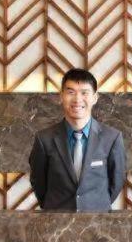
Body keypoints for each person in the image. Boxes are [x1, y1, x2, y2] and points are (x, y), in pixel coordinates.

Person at [28, 69, 126, 211]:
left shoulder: (112, 138)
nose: (77, 99)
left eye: (84, 93)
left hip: (97, 219)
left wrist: (96, 204)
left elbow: (116, 181)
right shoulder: (44, 139)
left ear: (95, 98)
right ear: (61, 96)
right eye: (71, 92)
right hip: (56, 219)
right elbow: (38, 182)